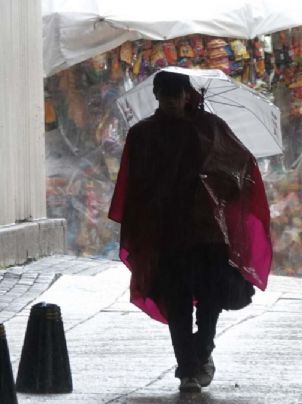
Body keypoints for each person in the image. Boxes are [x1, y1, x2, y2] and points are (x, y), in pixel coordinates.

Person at [108, 71, 272, 393]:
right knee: (178, 298)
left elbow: (239, 169)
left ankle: (202, 351)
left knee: (210, 297)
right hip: (167, 232)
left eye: (177, 94)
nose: (171, 101)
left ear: (187, 95)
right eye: (166, 95)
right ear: (157, 96)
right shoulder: (143, 134)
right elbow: (135, 185)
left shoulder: (210, 129)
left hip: (208, 231)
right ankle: (187, 366)